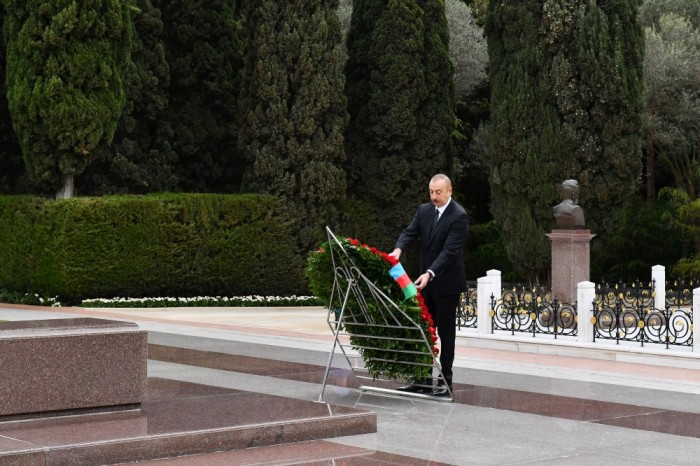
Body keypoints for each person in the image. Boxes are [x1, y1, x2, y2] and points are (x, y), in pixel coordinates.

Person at [389, 174, 469, 396]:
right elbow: (409, 233)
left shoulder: (459, 216)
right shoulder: (424, 210)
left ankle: (445, 381)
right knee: (423, 331)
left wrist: (430, 273)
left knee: (445, 333)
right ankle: (422, 380)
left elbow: (449, 252)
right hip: (425, 284)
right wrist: (399, 249)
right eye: (431, 192)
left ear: (449, 190)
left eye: (439, 192)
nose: (434, 196)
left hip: (446, 284)